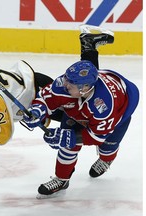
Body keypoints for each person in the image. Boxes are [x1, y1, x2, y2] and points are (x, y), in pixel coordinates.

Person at [23, 24, 139, 199]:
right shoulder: (68, 84)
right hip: (82, 104)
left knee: (108, 146)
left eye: (71, 84)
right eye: (67, 79)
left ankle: (106, 160)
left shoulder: (104, 107)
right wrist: (38, 110)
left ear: (85, 88)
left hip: (122, 109)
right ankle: (62, 180)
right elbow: (46, 97)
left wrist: (67, 136)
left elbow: (97, 136)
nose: (65, 84)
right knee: (67, 145)